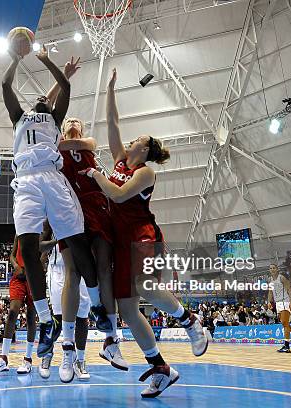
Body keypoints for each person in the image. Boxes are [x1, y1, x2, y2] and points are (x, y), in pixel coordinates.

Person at [79, 68, 208, 398]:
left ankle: (190, 320)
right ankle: (161, 367)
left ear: (145, 148)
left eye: (139, 139)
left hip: (143, 236)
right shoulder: (122, 160)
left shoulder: (146, 172)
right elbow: (113, 123)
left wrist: (95, 174)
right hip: (122, 243)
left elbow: (118, 195)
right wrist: (109, 89)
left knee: (144, 287)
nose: (132, 139)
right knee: (126, 309)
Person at [2, 45, 110, 357]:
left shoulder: (55, 119)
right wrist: (15, 58)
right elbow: (6, 86)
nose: (41, 100)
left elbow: (65, 87)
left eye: (44, 102)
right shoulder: (19, 118)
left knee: (76, 243)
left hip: (52, 177)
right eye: (39, 101)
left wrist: (48, 60)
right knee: (29, 249)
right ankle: (47, 322)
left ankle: (98, 307)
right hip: (26, 182)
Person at [44, 57, 126, 375]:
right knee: (73, 274)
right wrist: (63, 78)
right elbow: (47, 117)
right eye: (67, 123)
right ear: (61, 127)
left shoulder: (86, 144)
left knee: (104, 269)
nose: (72, 123)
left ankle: (111, 339)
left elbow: (85, 141)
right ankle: (67, 350)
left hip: (97, 208)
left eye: (76, 121)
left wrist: (66, 138)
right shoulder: (55, 147)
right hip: (69, 211)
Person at [42, 241, 93, 382]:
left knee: (82, 316)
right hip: (58, 268)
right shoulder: (50, 220)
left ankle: (80, 361)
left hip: (82, 266)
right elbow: (41, 245)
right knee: (58, 317)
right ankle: (48, 354)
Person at [0, 235, 37, 375]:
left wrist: (31, 269)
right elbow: (12, 255)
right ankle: (3, 359)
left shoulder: (40, 228)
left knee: (30, 317)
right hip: (18, 277)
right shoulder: (19, 232)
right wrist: (16, 266)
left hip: (33, 276)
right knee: (12, 313)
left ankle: (27, 360)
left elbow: (43, 255)